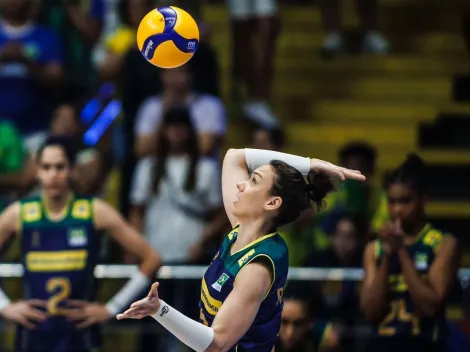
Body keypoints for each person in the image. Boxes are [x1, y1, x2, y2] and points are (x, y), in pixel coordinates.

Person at [117, 147, 365, 352]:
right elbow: (235, 156)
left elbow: (217, 342)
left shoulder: (258, 266)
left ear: (272, 202)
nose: (241, 185)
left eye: (253, 181)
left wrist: (160, 310)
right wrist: (310, 164)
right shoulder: (241, 229)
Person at [0, 136, 161, 352]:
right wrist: (5, 307)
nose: (53, 175)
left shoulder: (93, 211)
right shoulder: (20, 213)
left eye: (60, 167)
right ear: (37, 171)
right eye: (46, 167)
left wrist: (111, 308)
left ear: (72, 169)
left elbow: (152, 258)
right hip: (32, 338)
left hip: (81, 337)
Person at [361, 154, 460, 352]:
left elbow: (431, 306)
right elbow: (370, 313)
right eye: (392, 201)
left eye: (406, 201)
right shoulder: (375, 248)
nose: (397, 210)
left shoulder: (443, 244)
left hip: (425, 345)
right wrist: (388, 256)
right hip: (382, 345)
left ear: (423, 199)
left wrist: (402, 252)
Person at [277, 283, 340, 352]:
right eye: (283, 322)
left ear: (311, 321)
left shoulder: (325, 339)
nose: (290, 333)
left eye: (298, 324)